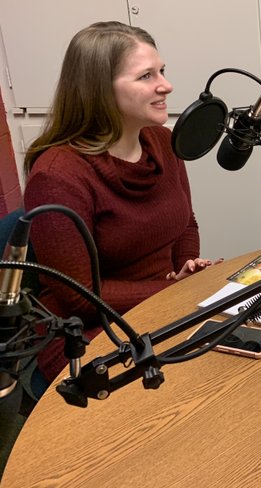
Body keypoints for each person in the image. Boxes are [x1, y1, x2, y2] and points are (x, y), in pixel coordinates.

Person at [23, 21, 217, 390]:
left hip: (161, 307)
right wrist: (176, 290)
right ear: (98, 91)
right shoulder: (57, 176)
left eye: (162, 71)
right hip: (89, 332)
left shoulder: (163, 141)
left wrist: (186, 270)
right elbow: (77, 295)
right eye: (146, 75)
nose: (166, 85)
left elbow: (185, 223)